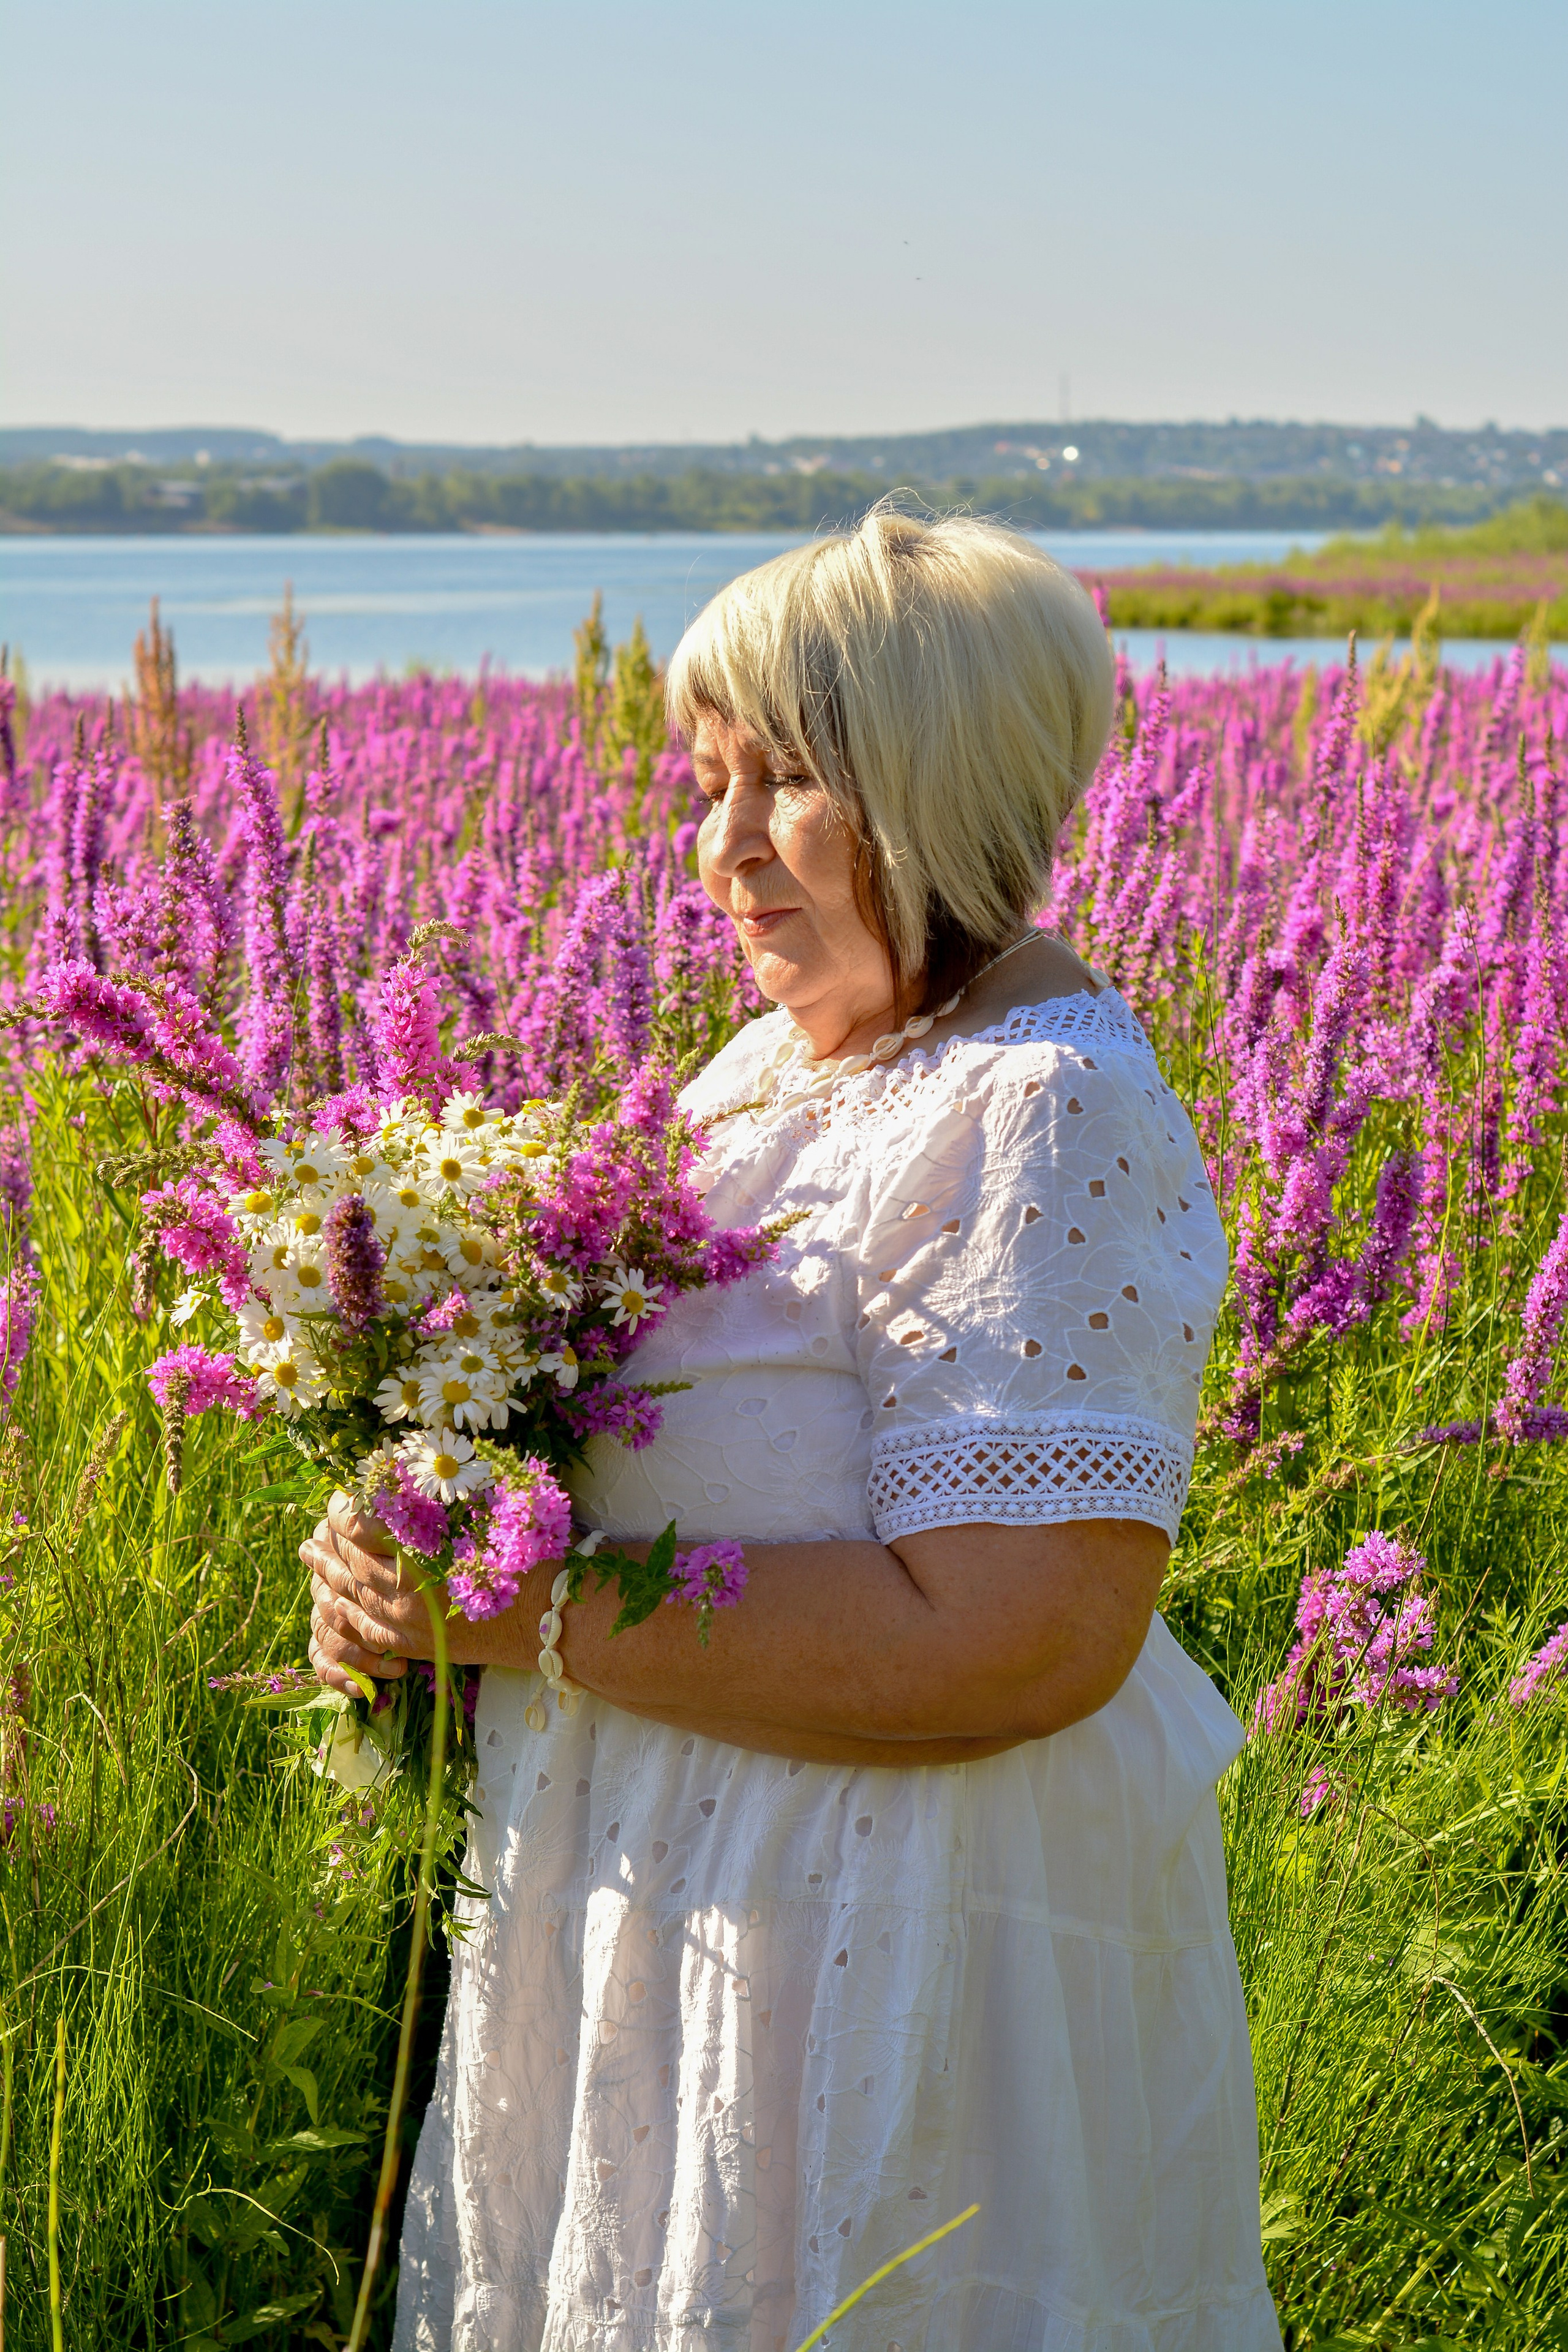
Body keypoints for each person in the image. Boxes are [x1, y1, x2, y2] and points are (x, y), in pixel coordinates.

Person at [304, 508, 1283, 2352]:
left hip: (884, 1966)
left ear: (938, 787)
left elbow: (1016, 1640)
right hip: (677, 1912)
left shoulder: (1038, 1112)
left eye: (789, 785)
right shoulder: (781, 1061)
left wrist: (519, 1619)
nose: (723, 850)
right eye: (711, 780)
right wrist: (421, 1536)